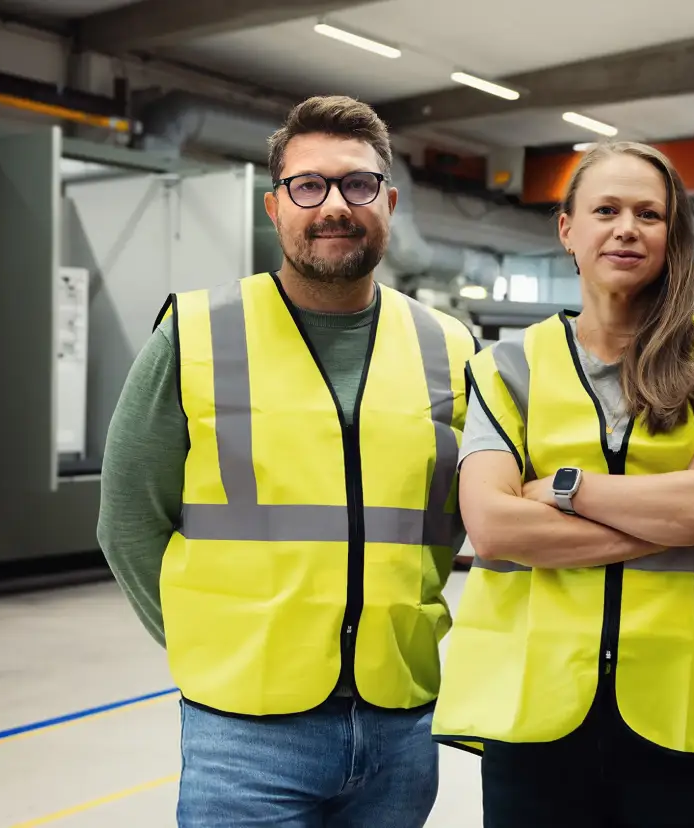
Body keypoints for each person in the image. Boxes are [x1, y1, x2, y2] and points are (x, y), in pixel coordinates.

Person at [98, 95, 477, 828]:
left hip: (402, 720)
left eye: (358, 185)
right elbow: (128, 522)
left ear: (390, 202)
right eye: (309, 185)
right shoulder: (197, 334)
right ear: (274, 206)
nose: (334, 205)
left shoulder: (450, 347)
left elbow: (464, 516)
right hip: (246, 731)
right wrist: (215, 648)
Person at [431, 141, 694, 828]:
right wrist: (668, 512)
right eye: (606, 210)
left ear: (671, 236)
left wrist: (562, 488)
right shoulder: (507, 367)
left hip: (689, 709)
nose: (627, 227)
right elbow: (496, 528)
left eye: (648, 214)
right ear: (567, 230)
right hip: (536, 715)